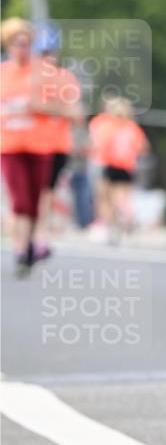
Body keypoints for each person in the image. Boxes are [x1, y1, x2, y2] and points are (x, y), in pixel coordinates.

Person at [0, 18, 78, 276]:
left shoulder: (46, 74)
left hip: (42, 146)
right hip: (10, 146)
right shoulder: (3, 73)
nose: (22, 49)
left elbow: (70, 110)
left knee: (38, 199)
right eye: (16, 44)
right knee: (21, 201)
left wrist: (38, 107)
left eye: (27, 44)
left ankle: (34, 242)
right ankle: (22, 249)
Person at [89, 97, 149, 240]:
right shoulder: (133, 128)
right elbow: (143, 147)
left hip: (112, 165)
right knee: (124, 197)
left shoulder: (112, 128)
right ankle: (127, 219)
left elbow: (102, 146)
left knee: (110, 197)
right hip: (128, 166)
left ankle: (115, 223)